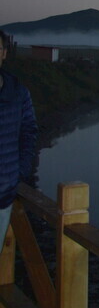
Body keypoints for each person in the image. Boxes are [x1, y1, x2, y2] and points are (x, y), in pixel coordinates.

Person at [0, 30, 37, 237]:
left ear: (4, 52)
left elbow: (28, 133)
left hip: (3, 198)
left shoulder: (18, 93)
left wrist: (19, 172)